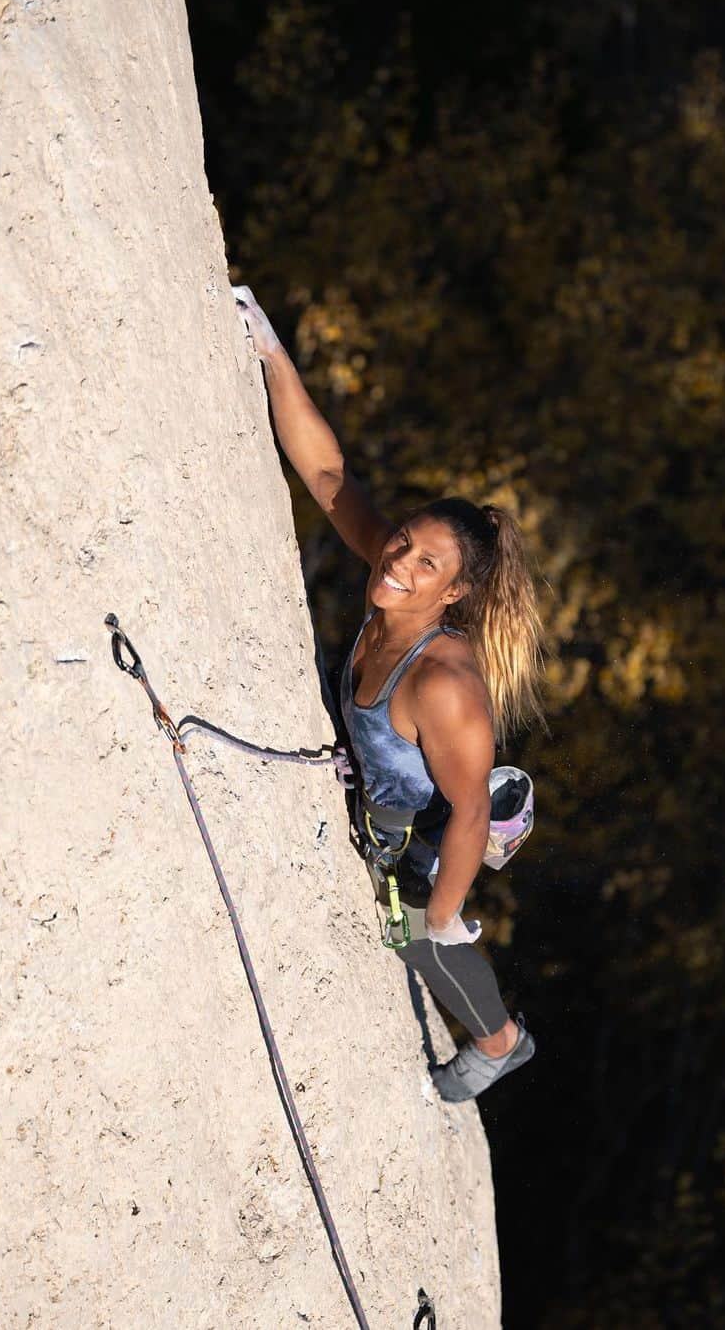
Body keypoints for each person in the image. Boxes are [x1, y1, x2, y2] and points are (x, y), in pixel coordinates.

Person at [232, 284, 544, 1102]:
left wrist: (444, 916)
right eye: (404, 540)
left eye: (425, 566)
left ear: (453, 596)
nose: (398, 563)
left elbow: (469, 809)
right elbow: (328, 472)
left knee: (417, 942)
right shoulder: (389, 576)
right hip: (395, 793)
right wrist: (272, 352)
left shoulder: (443, 683)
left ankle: (502, 1040)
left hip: (434, 830)